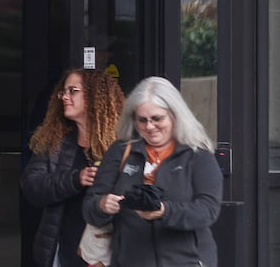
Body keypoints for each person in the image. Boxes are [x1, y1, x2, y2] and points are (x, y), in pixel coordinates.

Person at [82, 76, 223, 267]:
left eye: (157, 118)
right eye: (142, 120)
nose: (149, 126)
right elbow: (90, 206)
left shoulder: (197, 154)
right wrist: (102, 205)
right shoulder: (121, 151)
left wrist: (164, 211)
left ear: (175, 115)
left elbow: (208, 211)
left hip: (187, 261)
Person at [21, 68, 124, 267]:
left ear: (95, 95)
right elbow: (32, 186)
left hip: (108, 249)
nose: (65, 97)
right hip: (63, 247)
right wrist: (76, 179)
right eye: (63, 92)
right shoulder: (55, 141)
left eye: (73, 91)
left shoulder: (121, 143)